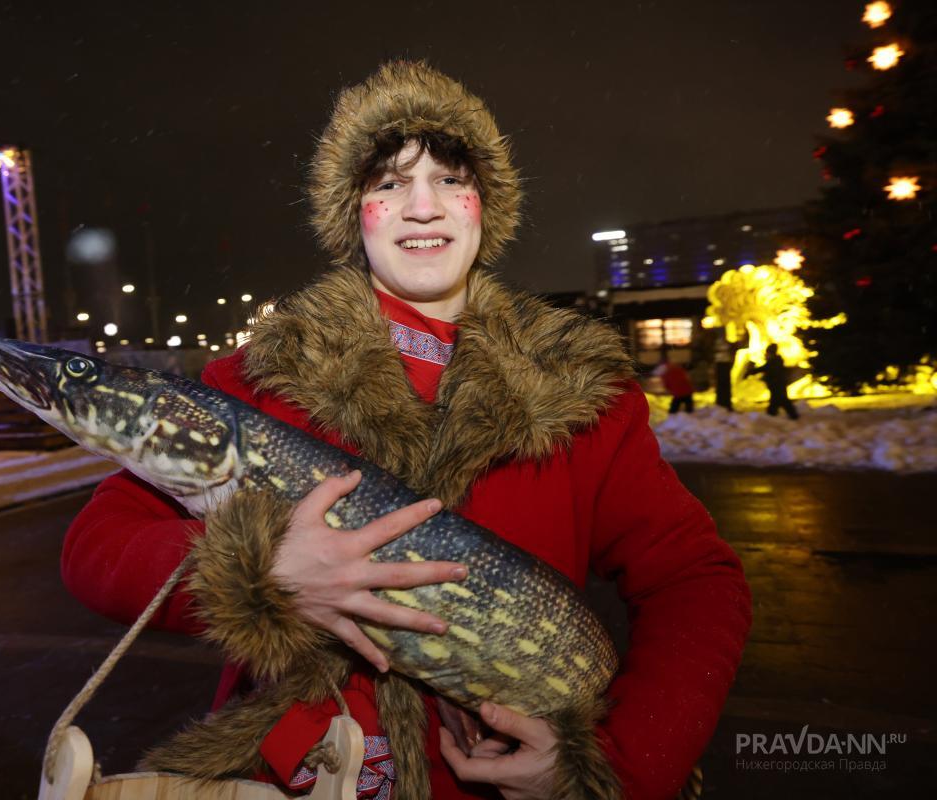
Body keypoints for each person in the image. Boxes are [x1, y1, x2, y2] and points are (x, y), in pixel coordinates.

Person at [62, 61, 751, 800]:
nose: (423, 207)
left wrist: (614, 766)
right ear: (352, 212)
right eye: (388, 184)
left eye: (452, 178)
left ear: (484, 205)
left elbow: (696, 582)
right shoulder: (254, 381)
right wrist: (262, 571)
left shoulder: (586, 396)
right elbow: (95, 551)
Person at [747, 343, 799, 420]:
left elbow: (765, 369)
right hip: (776, 385)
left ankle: (774, 415)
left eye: (767, 352)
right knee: (779, 400)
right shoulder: (774, 361)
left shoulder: (774, 362)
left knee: (781, 400)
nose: (766, 354)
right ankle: (774, 414)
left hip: (777, 385)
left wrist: (752, 371)